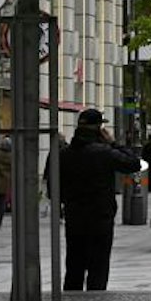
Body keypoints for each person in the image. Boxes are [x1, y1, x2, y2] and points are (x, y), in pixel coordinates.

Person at [57, 108, 138, 291]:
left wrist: (67, 202)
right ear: (99, 128)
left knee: (74, 268)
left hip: (74, 217)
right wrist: (114, 143)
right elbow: (133, 163)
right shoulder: (104, 152)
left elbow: (53, 186)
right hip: (100, 217)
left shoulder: (64, 154)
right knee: (98, 270)